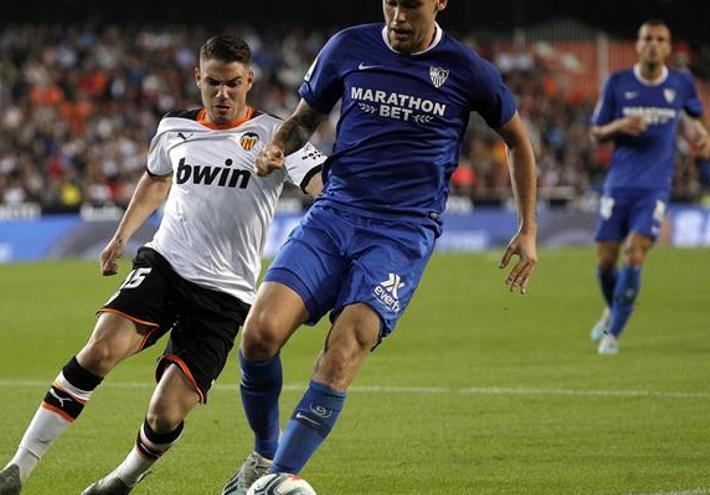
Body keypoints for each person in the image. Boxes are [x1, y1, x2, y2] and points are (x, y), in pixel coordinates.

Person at [0, 33, 325, 495]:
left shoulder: (279, 135)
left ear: (249, 80)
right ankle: (15, 470)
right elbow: (156, 179)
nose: (222, 94)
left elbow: (322, 184)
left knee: (165, 411)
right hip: (165, 264)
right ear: (197, 78)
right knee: (100, 348)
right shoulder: (175, 126)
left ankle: (121, 480)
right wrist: (120, 236)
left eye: (233, 84)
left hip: (225, 294)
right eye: (213, 82)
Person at [221, 1, 538, 493]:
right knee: (258, 335)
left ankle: (279, 480)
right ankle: (265, 456)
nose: (397, 17)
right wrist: (279, 144)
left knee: (346, 347)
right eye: (390, 3)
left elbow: (517, 140)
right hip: (335, 214)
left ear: (439, 3)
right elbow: (305, 117)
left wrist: (528, 226)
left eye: (411, 6)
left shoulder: (468, 70)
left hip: (401, 233)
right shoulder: (349, 46)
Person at [589, 19, 710, 355]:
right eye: (648, 39)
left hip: (654, 188)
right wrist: (621, 124)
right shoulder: (617, 83)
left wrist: (704, 137)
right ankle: (613, 307)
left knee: (634, 251)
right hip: (618, 185)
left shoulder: (681, 84)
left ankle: (613, 335)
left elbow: (694, 121)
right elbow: (596, 132)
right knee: (604, 262)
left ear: (669, 48)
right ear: (638, 45)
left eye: (661, 39)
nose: (654, 45)